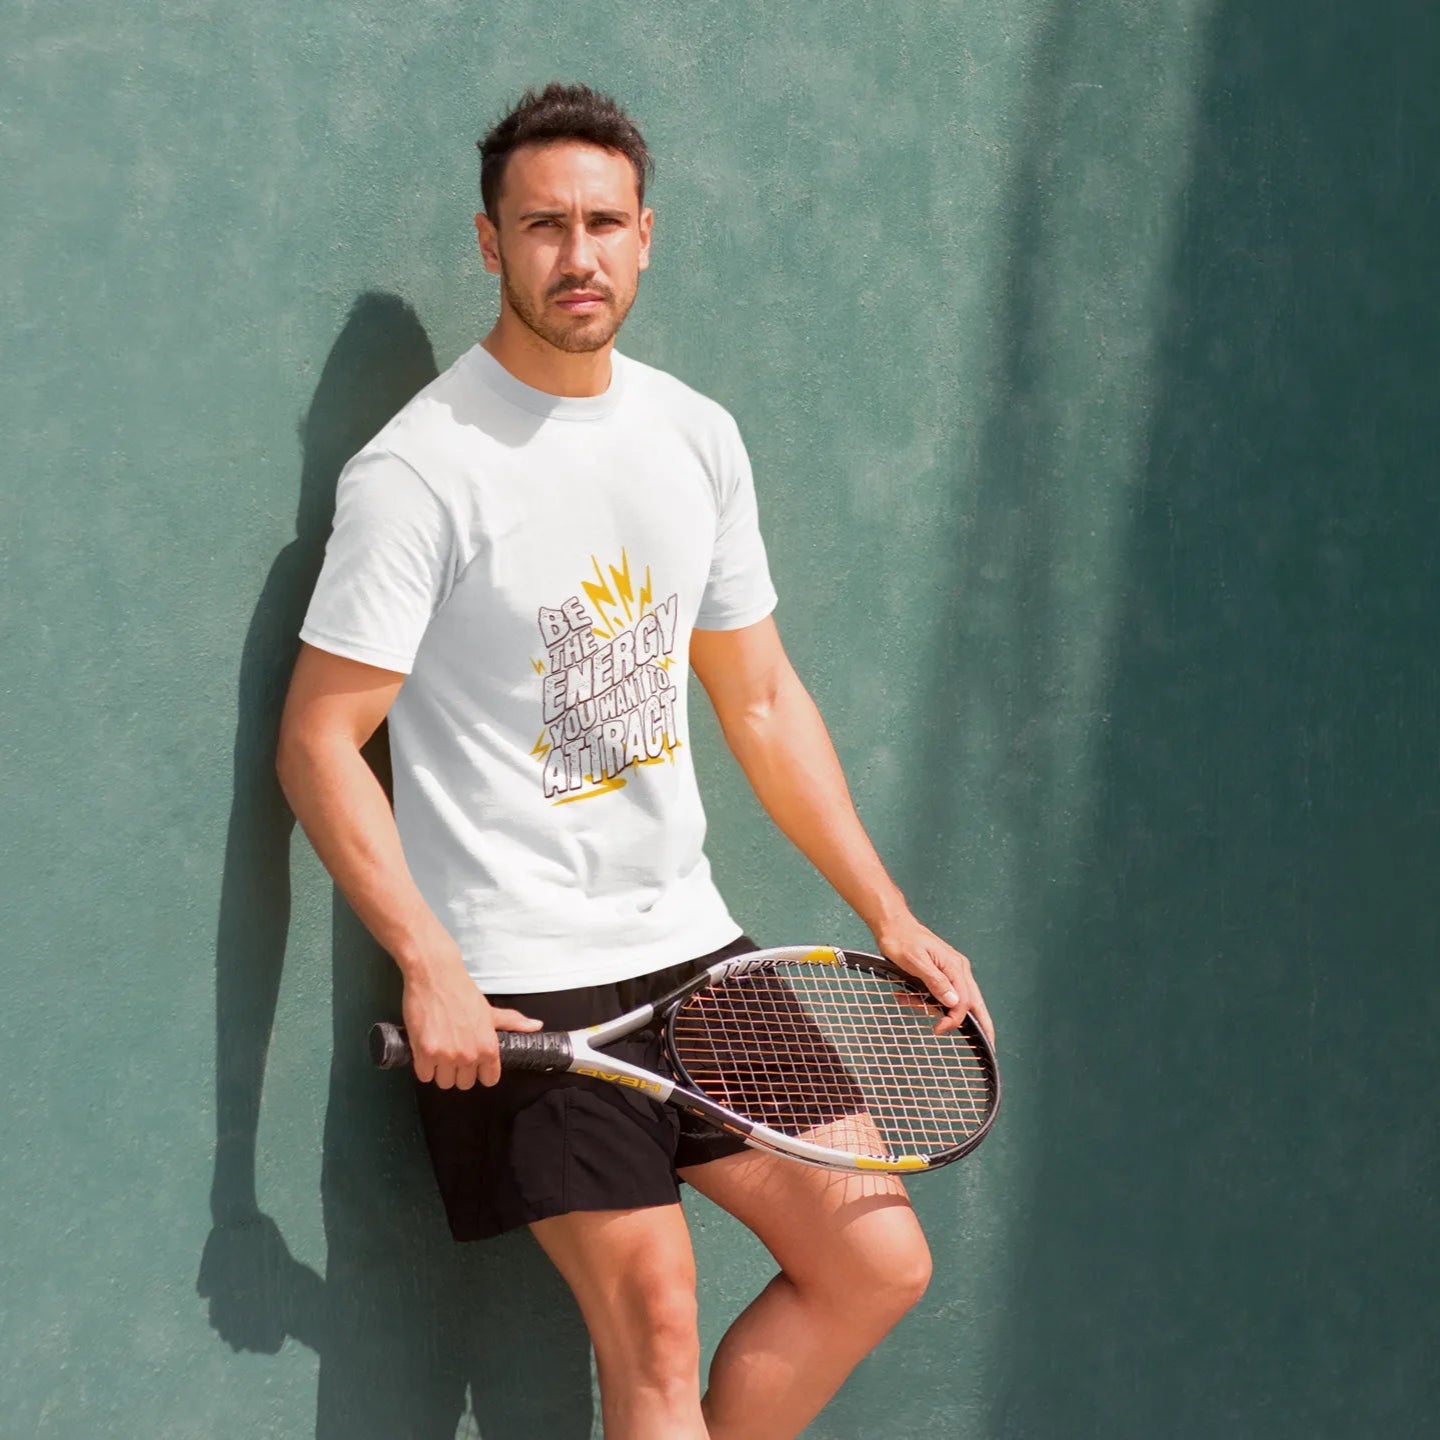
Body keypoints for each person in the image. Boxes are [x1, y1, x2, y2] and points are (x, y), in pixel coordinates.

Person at [278, 82, 994, 1440]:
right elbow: (318, 740)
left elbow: (763, 697)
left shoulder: (693, 436)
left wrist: (888, 910)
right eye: (543, 226)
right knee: (660, 1325)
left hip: (699, 962)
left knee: (879, 1260)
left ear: (648, 235)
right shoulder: (420, 473)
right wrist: (429, 960)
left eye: (604, 222)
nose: (578, 255)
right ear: (491, 245)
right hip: (524, 992)